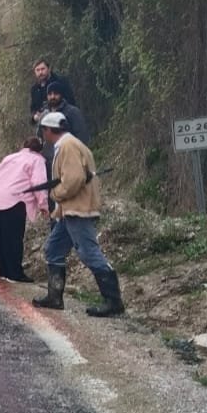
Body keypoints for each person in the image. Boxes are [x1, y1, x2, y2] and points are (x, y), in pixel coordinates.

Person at [32, 111, 124, 317]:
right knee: (54, 249)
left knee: (89, 252)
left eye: (43, 130)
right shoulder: (70, 144)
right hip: (70, 210)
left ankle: (113, 302)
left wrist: (55, 194)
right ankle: (54, 298)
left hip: (78, 210)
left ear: (48, 130)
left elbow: (72, 180)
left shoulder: (68, 146)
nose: (43, 134)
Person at [0, 136, 49, 282]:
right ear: (40, 150)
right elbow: (39, 183)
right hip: (13, 200)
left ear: (24, 145)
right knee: (13, 239)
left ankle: (4, 272)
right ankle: (15, 274)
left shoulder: (10, 157)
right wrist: (44, 205)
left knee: (0, 239)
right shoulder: (37, 160)